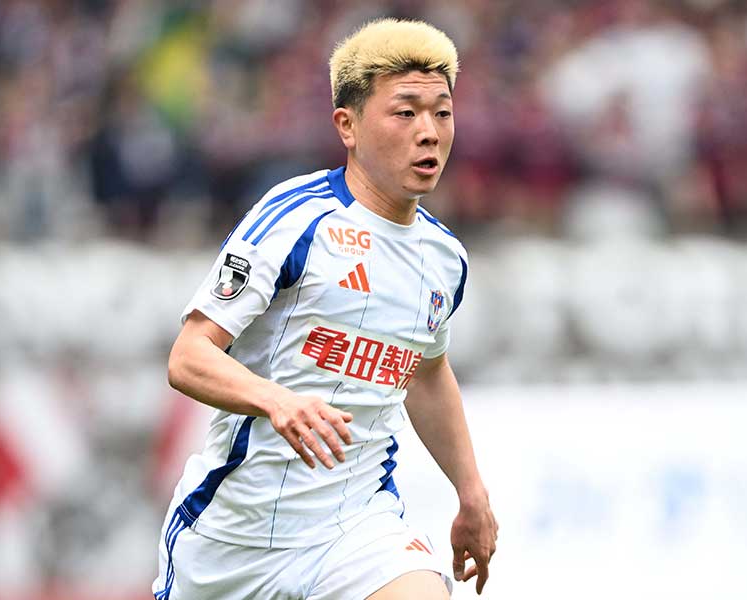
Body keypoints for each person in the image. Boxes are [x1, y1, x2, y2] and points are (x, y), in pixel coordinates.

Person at [153, 18, 498, 600]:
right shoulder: (295, 218)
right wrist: (276, 400)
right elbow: (188, 357)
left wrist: (471, 492)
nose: (429, 132)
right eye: (405, 112)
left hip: (355, 528)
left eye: (442, 113)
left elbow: (427, 372)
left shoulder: (445, 258)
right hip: (235, 539)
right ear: (348, 125)